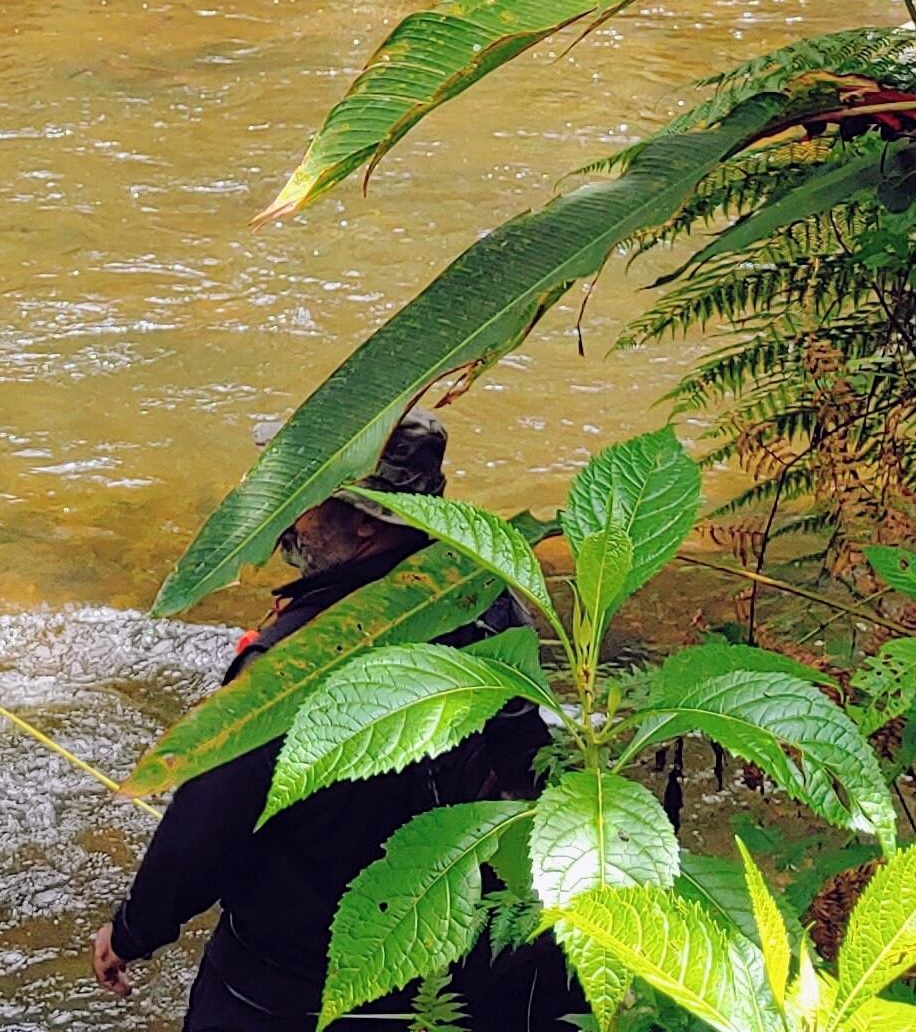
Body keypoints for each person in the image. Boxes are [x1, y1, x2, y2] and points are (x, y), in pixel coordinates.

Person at [90, 415, 575, 1032]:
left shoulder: (296, 663)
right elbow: (532, 771)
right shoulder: (484, 600)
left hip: (290, 989)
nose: (286, 514)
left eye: (306, 494)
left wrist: (131, 931)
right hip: (461, 979)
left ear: (367, 522)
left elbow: (206, 822)